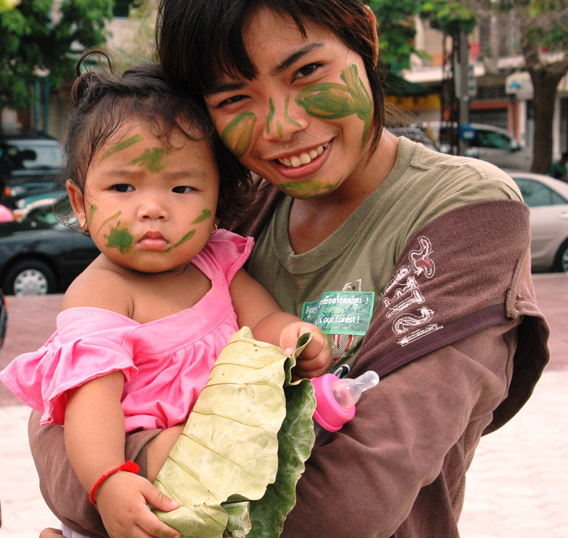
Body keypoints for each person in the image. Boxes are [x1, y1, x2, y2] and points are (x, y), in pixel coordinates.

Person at [31, 1, 550, 537]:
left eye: (306, 72)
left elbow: (348, 504)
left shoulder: (468, 214)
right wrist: (114, 480)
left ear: (365, 39)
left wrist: (140, 470)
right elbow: (54, 420)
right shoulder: (221, 210)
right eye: (234, 98)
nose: (283, 126)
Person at [1, 55, 332, 538]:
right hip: (143, 492)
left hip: (222, 479)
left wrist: (293, 336)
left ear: (217, 203)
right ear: (80, 204)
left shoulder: (214, 260)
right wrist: (108, 480)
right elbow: (91, 406)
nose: (152, 208)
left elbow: (262, 320)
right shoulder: (100, 294)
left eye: (181, 187)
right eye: (122, 186)